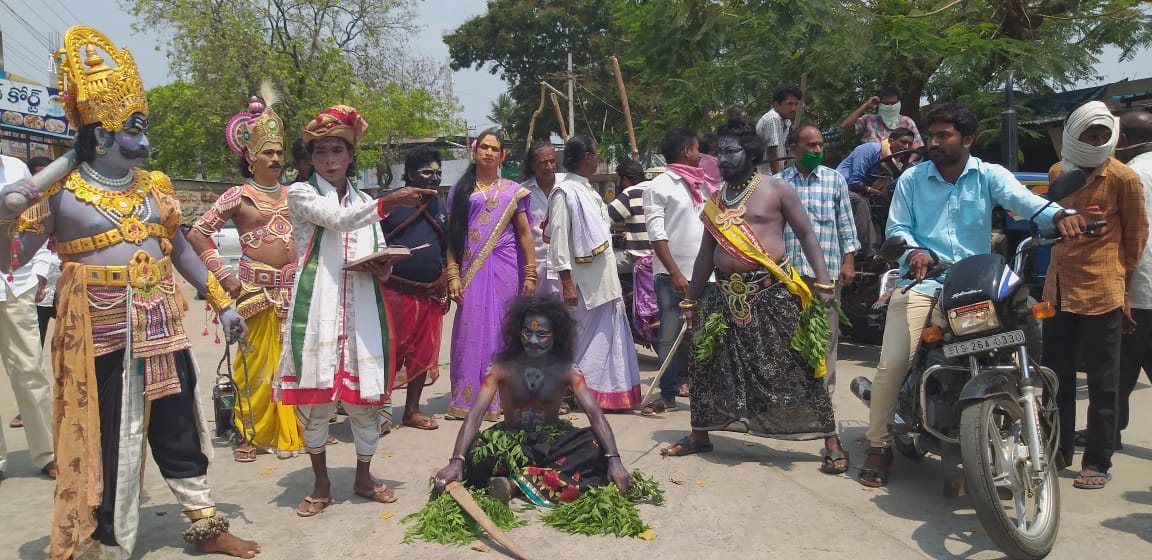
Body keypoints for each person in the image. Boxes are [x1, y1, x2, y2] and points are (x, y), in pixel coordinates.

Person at [0, 26, 258, 558]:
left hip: (161, 321)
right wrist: (8, 218)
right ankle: (106, 535)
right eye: (133, 129)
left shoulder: (154, 188)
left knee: (178, 421)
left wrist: (223, 301)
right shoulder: (61, 192)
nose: (144, 142)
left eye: (143, 129)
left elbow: (181, 250)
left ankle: (206, 525)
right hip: (99, 332)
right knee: (109, 434)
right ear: (99, 133)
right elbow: (14, 259)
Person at [857, 101, 1086, 488]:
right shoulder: (912, 180)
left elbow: (1025, 203)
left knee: (1026, 334)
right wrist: (914, 251)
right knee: (894, 360)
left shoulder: (988, 175)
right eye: (931, 135)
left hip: (976, 282)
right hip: (925, 283)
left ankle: (1028, 420)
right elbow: (898, 227)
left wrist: (1060, 215)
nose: (933, 141)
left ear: (968, 139)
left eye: (943, 135)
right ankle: (878, 444)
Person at [663, 109, 848, 475]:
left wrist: (825, 282)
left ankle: (831, 440)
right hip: (723, 298)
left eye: (732, 152)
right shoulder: (717, 200)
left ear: (751, 154)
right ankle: (701, 434)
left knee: (798, 367)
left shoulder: (776, 189)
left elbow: (807, 235)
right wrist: (691, 297)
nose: (724, 159)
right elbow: (705, 254)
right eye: (721, 152)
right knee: (706, 365)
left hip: (771, 295)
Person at [275, 105, 437, 516]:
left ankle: (364, 476)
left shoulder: (365, 200)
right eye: (321, 152)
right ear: (310, 159)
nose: (329, 159)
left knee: (365, 401)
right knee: (316, 404)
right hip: (318, 306)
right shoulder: (301, 193)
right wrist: (389, 201)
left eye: (337, 151)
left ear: (350, 156)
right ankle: (321, 482)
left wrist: (382, 266)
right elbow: (338, 220)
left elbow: (369, 246)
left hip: (364, 304)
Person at [186, 89, 303, 462]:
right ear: (250, 156)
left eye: (280, 153)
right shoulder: (237, 195)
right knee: (254, 365)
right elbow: (196, 233)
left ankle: (297, 427)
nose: (276, 159)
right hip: (256, 290)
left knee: (296, 361)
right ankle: (249, 432)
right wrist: (223, 274)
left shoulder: (296, 193)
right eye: (268, 153)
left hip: (294, 289)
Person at [432, 296, 631, 505]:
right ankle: (536, 479)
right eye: (528, 332)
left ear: (556, 336)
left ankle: (515, 484)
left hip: (552, 445)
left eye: (542, 334)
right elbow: (475, 415)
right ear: (518, 331)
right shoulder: (501, 367)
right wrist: (456, 460)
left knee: (595, 445)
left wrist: (614, 460)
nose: (533, 340)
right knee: (475, 451)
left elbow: (594, 413)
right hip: (509, 442)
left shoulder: (567, 369)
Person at [1042, 102, 1147, 490]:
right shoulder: (1058, 172)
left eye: (1105, 135)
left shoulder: (1123, 178)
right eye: (1091, 134)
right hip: (1057, 289)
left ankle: (1098, 459)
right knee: (1055, 377)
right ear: (1075, 134)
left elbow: (1136, 237)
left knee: (1104, 379)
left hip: (1103, 289)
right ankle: (1056, 448)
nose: (1099, 141)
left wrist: (1126, 291)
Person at [544, 134, 642, 410]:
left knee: (606, 339)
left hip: (604, 279)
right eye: (597, 154)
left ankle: (602, 393)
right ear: (588, 157)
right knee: (579, 339)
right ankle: (564, 392)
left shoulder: (587, 191)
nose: (598, 158)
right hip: (582, 282)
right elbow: (559, 238)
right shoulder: (565, 192)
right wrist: (566, 281)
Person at [445, 130, 537, 421]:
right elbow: (453, 237)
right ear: (474, 152)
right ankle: (468, 398)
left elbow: (525, 234)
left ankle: (504, 398)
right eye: (483, 147)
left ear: (502, 156)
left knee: (503, 329)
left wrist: (530, 273)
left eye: (494, 149)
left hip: (505, 267)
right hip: (471, 269)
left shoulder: (512, 191)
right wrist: (453, 274)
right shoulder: (460, 192)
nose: (488, 152)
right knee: (469, 329)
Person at [777, 125, 859, 395]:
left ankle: (823, 395)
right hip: (789, 274)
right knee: (790, 333)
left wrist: (849, 261)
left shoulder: (835, 180)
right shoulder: (779, 183)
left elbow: (846, 226)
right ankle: (792, 392)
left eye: (820, 145)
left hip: (826, 273)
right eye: (811, 146)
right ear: (793, 149)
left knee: (825, 335)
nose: (818, 151)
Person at [379, 146, 449, 431]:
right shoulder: (389, 205)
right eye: (426, 172)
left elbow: (446, 246)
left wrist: (445, 275)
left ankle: (412, 410)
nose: (433, 178)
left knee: (422, 353)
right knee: (389, 354)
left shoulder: (439, 206)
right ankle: (380, 413)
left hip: (429, 292)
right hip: (394, 291)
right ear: (409, 174)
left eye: (438, 173)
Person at [641, 128, 709, 414]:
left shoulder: (705, 185)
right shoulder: (659, 187)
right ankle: (668, 394)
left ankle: (707, 395)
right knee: (670, 335)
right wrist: (676, 274)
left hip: (707, 274)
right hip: (672, 276)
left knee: (706, 336)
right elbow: (657, 236)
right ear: (686, 152)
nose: (700, 155)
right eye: (697, 149)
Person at [0, 154, 55, 486]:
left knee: (30, 370)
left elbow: (37, 223)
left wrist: (39, 271)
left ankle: (47, 453)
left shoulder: (16, 168)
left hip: (16, 283)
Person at [1106, 110, 1152, 450]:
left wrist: (1120, 288)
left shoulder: (1132, 173)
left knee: (1119, 365)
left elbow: (1132, 234)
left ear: (1122, 140)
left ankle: (1108, 434)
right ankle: (1109, 431)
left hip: (1138, 285)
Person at [834, 127, 916, 257]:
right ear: (891, 141)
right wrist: (879, 193)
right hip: (841, 189)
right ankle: (871, 253)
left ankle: (893, 250)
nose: (906, 147)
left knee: (891, 206)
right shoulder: (869, 149)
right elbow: (854, 182)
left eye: (909, 144)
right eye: (903, 142)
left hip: (863, 192)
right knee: (861, 202)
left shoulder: (895, 163)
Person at [607, 159, 658, 346]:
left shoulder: (630, 193)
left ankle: (615, 310)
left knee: (606, 265)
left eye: (619, 180)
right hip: (662, 258)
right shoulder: (657, 188)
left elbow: (605, 220)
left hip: (638, 259)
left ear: (626, 179)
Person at [521, 140, 565, 298]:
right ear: (533, 166)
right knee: (537, 317)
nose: (549, 167)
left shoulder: (568, 187)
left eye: (552, 161)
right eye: (543, 162)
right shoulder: (522, 192)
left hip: (565, 269)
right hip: (536, 268)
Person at [840, 86, 924, 147]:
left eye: (893, 103)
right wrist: (865, 105)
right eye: (886, 104)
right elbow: (846, 126)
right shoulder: (869, 120)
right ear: (880, 104)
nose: (890, 106)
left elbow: (917, 148)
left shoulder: (907, 122)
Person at [756, 84, 802, 174]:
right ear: (776, 104)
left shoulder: (785, 121)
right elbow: (772, 152)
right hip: (765, 176)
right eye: (789, 104)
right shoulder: (773, 118)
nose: (793, 108)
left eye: (796, 104)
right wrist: (778, 179)